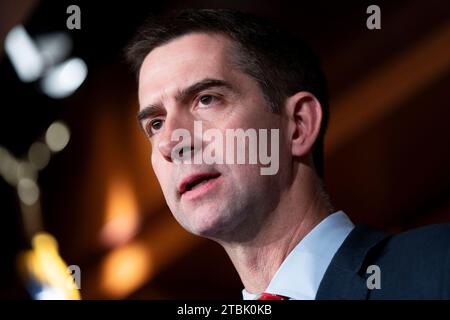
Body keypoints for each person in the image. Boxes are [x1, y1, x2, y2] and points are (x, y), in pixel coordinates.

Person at [125, 9, 450, 300]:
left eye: (206, 99)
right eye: (155, 124)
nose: (171, 142)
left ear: (298, 125)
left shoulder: (437, 265)